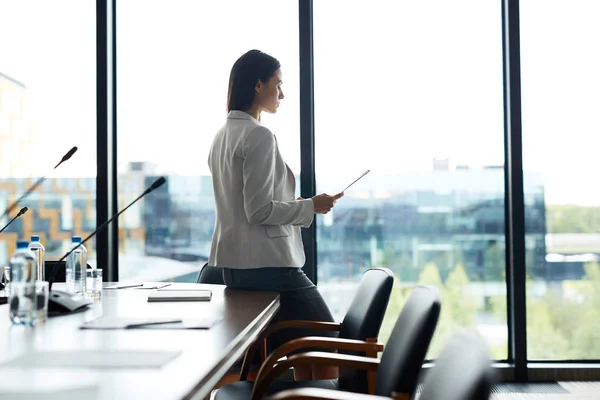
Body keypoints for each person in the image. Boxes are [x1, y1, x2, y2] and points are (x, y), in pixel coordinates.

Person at [208, 49, 343, 381]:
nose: (282, 94)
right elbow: (259, 211)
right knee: (328, 340)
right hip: (268, 266)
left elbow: (245, 206)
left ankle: (303, 394)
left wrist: (291, 201)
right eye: (277, 84)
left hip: (235, 269)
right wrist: (310, 206)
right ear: (258, 86)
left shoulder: (222, 136)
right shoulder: (259, 135)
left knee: (298, 345)